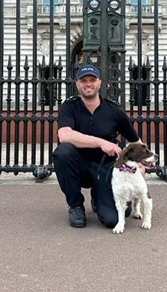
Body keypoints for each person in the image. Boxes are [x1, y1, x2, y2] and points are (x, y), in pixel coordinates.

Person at [52, 63, 142, 228]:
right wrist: (101, 142)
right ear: (77, 84)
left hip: (106, 168)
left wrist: (140, 165)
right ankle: (75, 206)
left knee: (113, 220)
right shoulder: (69, 107)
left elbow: (136, 142)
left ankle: (99, 196)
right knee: (62, 152)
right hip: (79, 166)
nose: (88, 84)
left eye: (92, 80)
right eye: (83, 80)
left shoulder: (114, 110)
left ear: (100, 82)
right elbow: (64, 135)